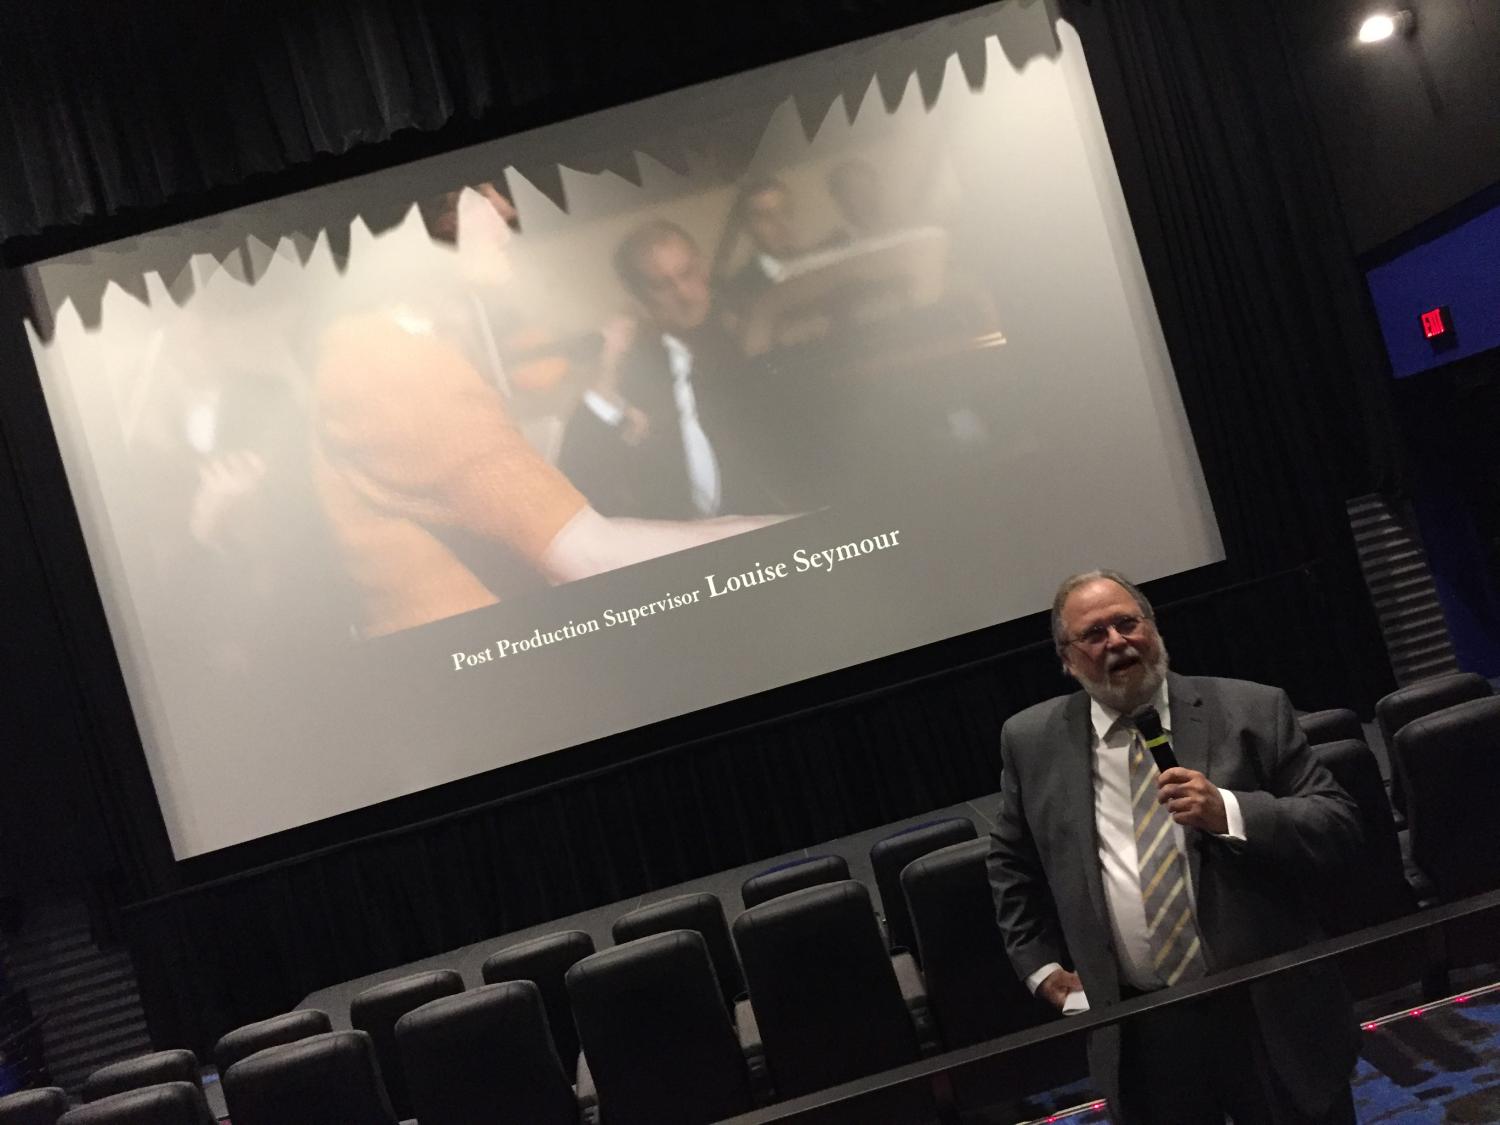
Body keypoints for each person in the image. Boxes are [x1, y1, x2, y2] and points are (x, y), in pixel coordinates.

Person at [986, 570, 1361, 1124]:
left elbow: (1339, 824)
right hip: (1144, 1032)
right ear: (1067, 659)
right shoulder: (1031, 741)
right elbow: (1009, 862)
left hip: (1268, 1011)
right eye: (1094, 634)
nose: (1116, 642)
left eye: (1126, 623)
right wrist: (1040, 968)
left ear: (1153, 630)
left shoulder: (1251, 710)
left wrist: (1230, 811)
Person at [558, 219, 783, 520]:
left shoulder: (749, 326)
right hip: (682, 535)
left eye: (687, 274)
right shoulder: (634, 365)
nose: (684, 294)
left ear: (702, 267)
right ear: (637, 294)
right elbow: (580, 469)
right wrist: (608, 369)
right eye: (661, 285)